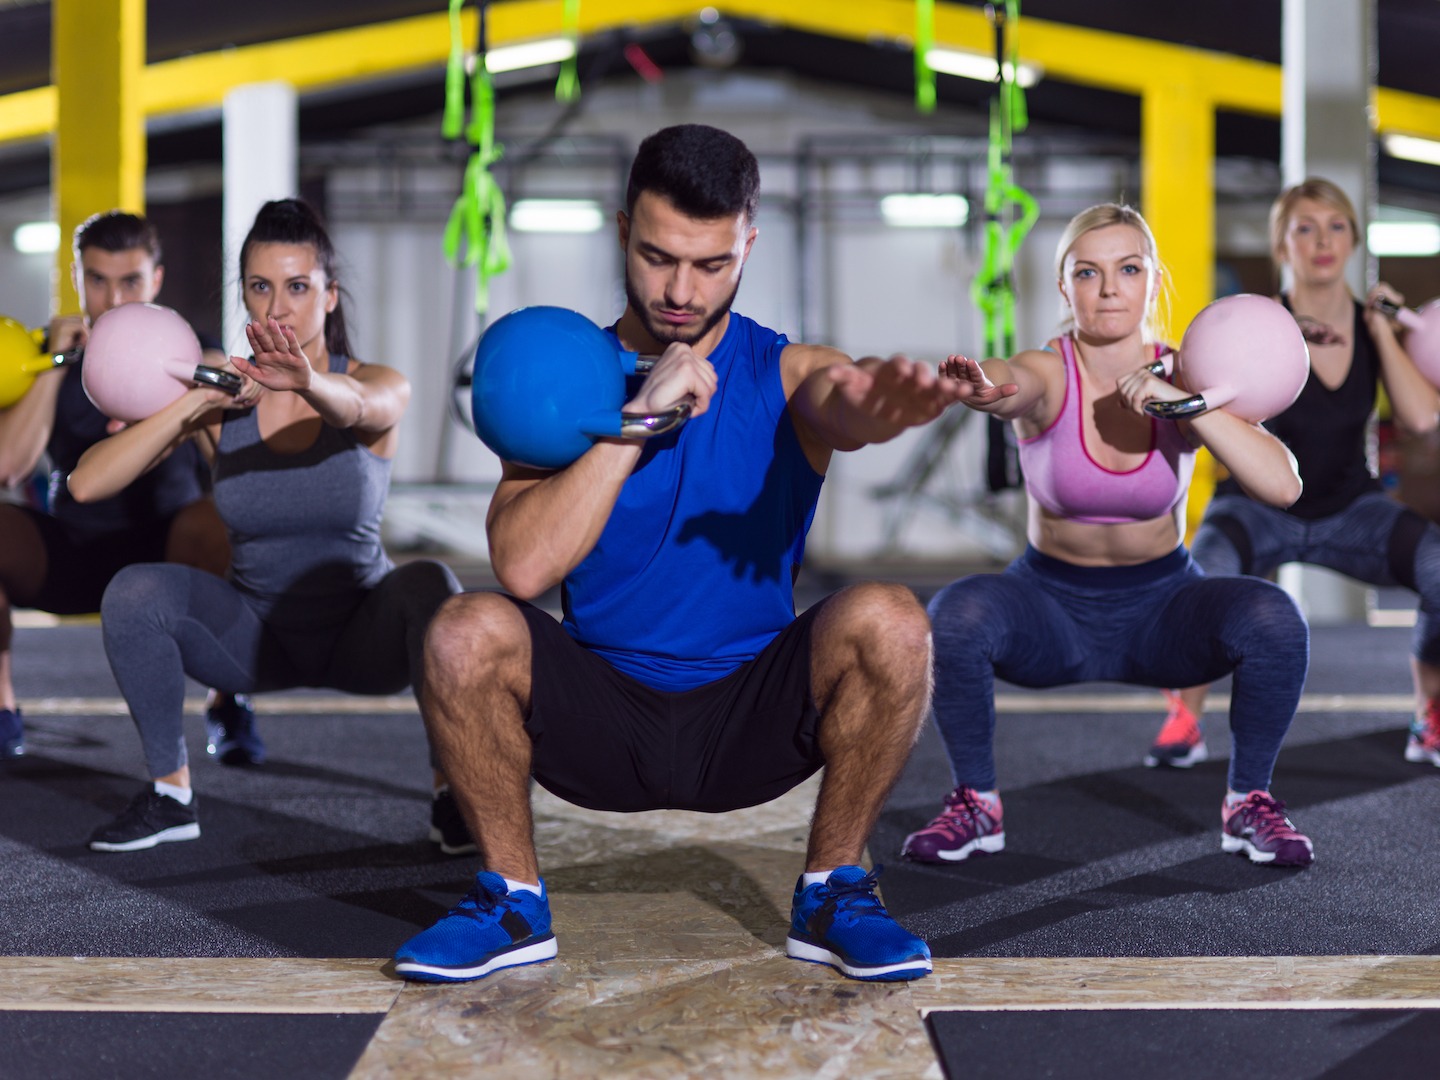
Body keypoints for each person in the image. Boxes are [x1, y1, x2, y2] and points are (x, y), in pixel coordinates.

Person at [392, 124, 966, 985]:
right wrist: (637, 423)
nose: (680, 291)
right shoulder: (566, 375)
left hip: (749, 715)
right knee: (461, 630)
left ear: (748, 245)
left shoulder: (783, 369)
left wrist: (879, 408)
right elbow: (521, 568)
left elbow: (840, 399)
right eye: (659, 257)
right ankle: (512, 901)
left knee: (893, 618)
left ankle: (836, 892)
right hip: (603, 716)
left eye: (712, 264)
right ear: (623, 231)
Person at [903, 203, 1316, 872]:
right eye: (1086, 272)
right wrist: (987, 387)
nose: (1107, 287)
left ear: (1154, 280)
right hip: (1050, 612)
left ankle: (1249, 803)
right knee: (956, 613)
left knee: (1275, 619)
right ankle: (975, 802)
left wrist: (1179, 405)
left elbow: (1284, 485)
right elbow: (1013, 382)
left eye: (1128, 269)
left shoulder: (1188, 374)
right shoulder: (1050, 369)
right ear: (1065, 288)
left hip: (1162, 612)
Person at [68, 198, 461, 852]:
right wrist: (198, 400)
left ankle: (454, 796)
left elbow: (358, 404)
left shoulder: (376, 382)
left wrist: (307, 382)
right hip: (254, 639)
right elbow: (87, 482)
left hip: (363, 634)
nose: (278, 308)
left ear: (330, 297)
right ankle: (170, 796)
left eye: (298, 287)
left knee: (434, 586)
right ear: (244, 294)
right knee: (134, 593)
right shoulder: (224, 400)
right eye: (260, 287)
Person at [1144, 178, 1440, 772]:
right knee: (1202, 577)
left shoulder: (1369, 326)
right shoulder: (1251, 324)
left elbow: (1422, 418)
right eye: (1303, 228)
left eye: (1334, 226)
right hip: (1259, 507)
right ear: (1282, 245)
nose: (1321, 240)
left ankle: (1427, 712)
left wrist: (1381, 330)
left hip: (1352, 510)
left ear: (1354, 240)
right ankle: (1185, 718)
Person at [0, 211, 250, 762]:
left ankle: (228, 701)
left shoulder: (190, 352)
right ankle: (3, 709)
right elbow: (10, 465)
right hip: (76, 549)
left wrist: (198, 380)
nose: (113, 299)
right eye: (98, 280)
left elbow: (233, 466)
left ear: (156, 280)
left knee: (221, 521)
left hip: (167, 546)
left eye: (130, 281)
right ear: (75, 278)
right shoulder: (50, 354)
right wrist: (53, 365)